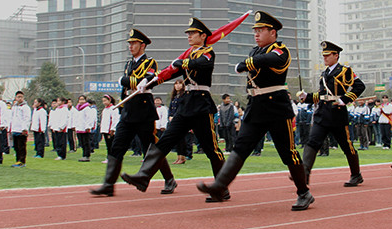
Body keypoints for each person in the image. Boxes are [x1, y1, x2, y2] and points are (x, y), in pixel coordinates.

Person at [197, 11, 313, 210]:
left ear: (273, 32)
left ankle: (304, 192)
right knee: (240, 147)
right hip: (256, 106)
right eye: (255, 31)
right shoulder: (255, 52)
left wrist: (246, 64)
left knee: (288, 152)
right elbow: (253, 64)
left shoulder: (280, 50)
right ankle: (219, 186)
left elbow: (274, 61)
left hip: (276, 106)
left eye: (261, 30)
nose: (256, 34)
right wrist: (247, 62)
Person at [120, 17, 227, 199]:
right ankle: (143, 176)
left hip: (201, 103)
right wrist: (148, 82)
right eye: (188, 33)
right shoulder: (188, 55)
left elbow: (202, 64)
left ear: (203, 36)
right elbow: (170, 72)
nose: (189, 36)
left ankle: (221, 188)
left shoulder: (207, 52)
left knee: (212, 149)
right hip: (186, 104)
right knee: (164, 142)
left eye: (192, 33)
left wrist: (183, 63)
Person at [90, 28, 176, 196]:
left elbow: (146, 80)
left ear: (142, 45)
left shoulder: (150, 62)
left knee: (150, 148)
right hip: (129, 109)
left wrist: (125, 80)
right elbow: (128, 87)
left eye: (134, 43)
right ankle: (108, 184)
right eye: (129, 43)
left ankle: (169, 179)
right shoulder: (129, 63)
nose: (130, 46)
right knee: (117, 146)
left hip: (143, 110)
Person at [294, 40, 366, 186]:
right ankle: (305, 173)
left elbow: (359, 86)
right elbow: (321, 95)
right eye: (324, 55)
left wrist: (344, 100)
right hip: (322, 113)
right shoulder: (324, 74)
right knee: (312, 142)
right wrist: (306, 97)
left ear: (336, 55)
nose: (325, 58)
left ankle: (356, 174)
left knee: (346, 146)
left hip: (337, 114)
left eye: (328, 55)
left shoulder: (345, 71)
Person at [9, 91, 32, 167]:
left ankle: (22, 161)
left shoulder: (25, 107)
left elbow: (27, 118)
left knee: (21, 146)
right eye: (18, 97)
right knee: (16, 147)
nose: (20, 98)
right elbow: (11, 118)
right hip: (15, 128)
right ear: (15, 98)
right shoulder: (14, 107)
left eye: (21, 97)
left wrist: (24, 129)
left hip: (21, 130)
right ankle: (18, 160)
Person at [73, 94, 96, 162]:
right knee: (82, 143)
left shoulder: (87, 108)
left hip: (85, 128)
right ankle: (84, 155)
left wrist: (88, 126)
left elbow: (89, 118)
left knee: (86, 142)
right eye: (80, 99)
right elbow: (76, 118)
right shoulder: (77, 109)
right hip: (79, 127)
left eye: (83, 99)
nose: (81, 101)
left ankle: (87, 155)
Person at [99, 94, 119, 161]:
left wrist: (112, 129)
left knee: (111, 145)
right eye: (103, 101)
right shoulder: (105, 109)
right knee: (108, 145)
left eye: (105, 101)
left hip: (110, 130)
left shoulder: (113, 108)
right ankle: (109, 157)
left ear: (109, 100)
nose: (104, 102)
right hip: (105, 130)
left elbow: (115, 120)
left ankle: (112, 158)